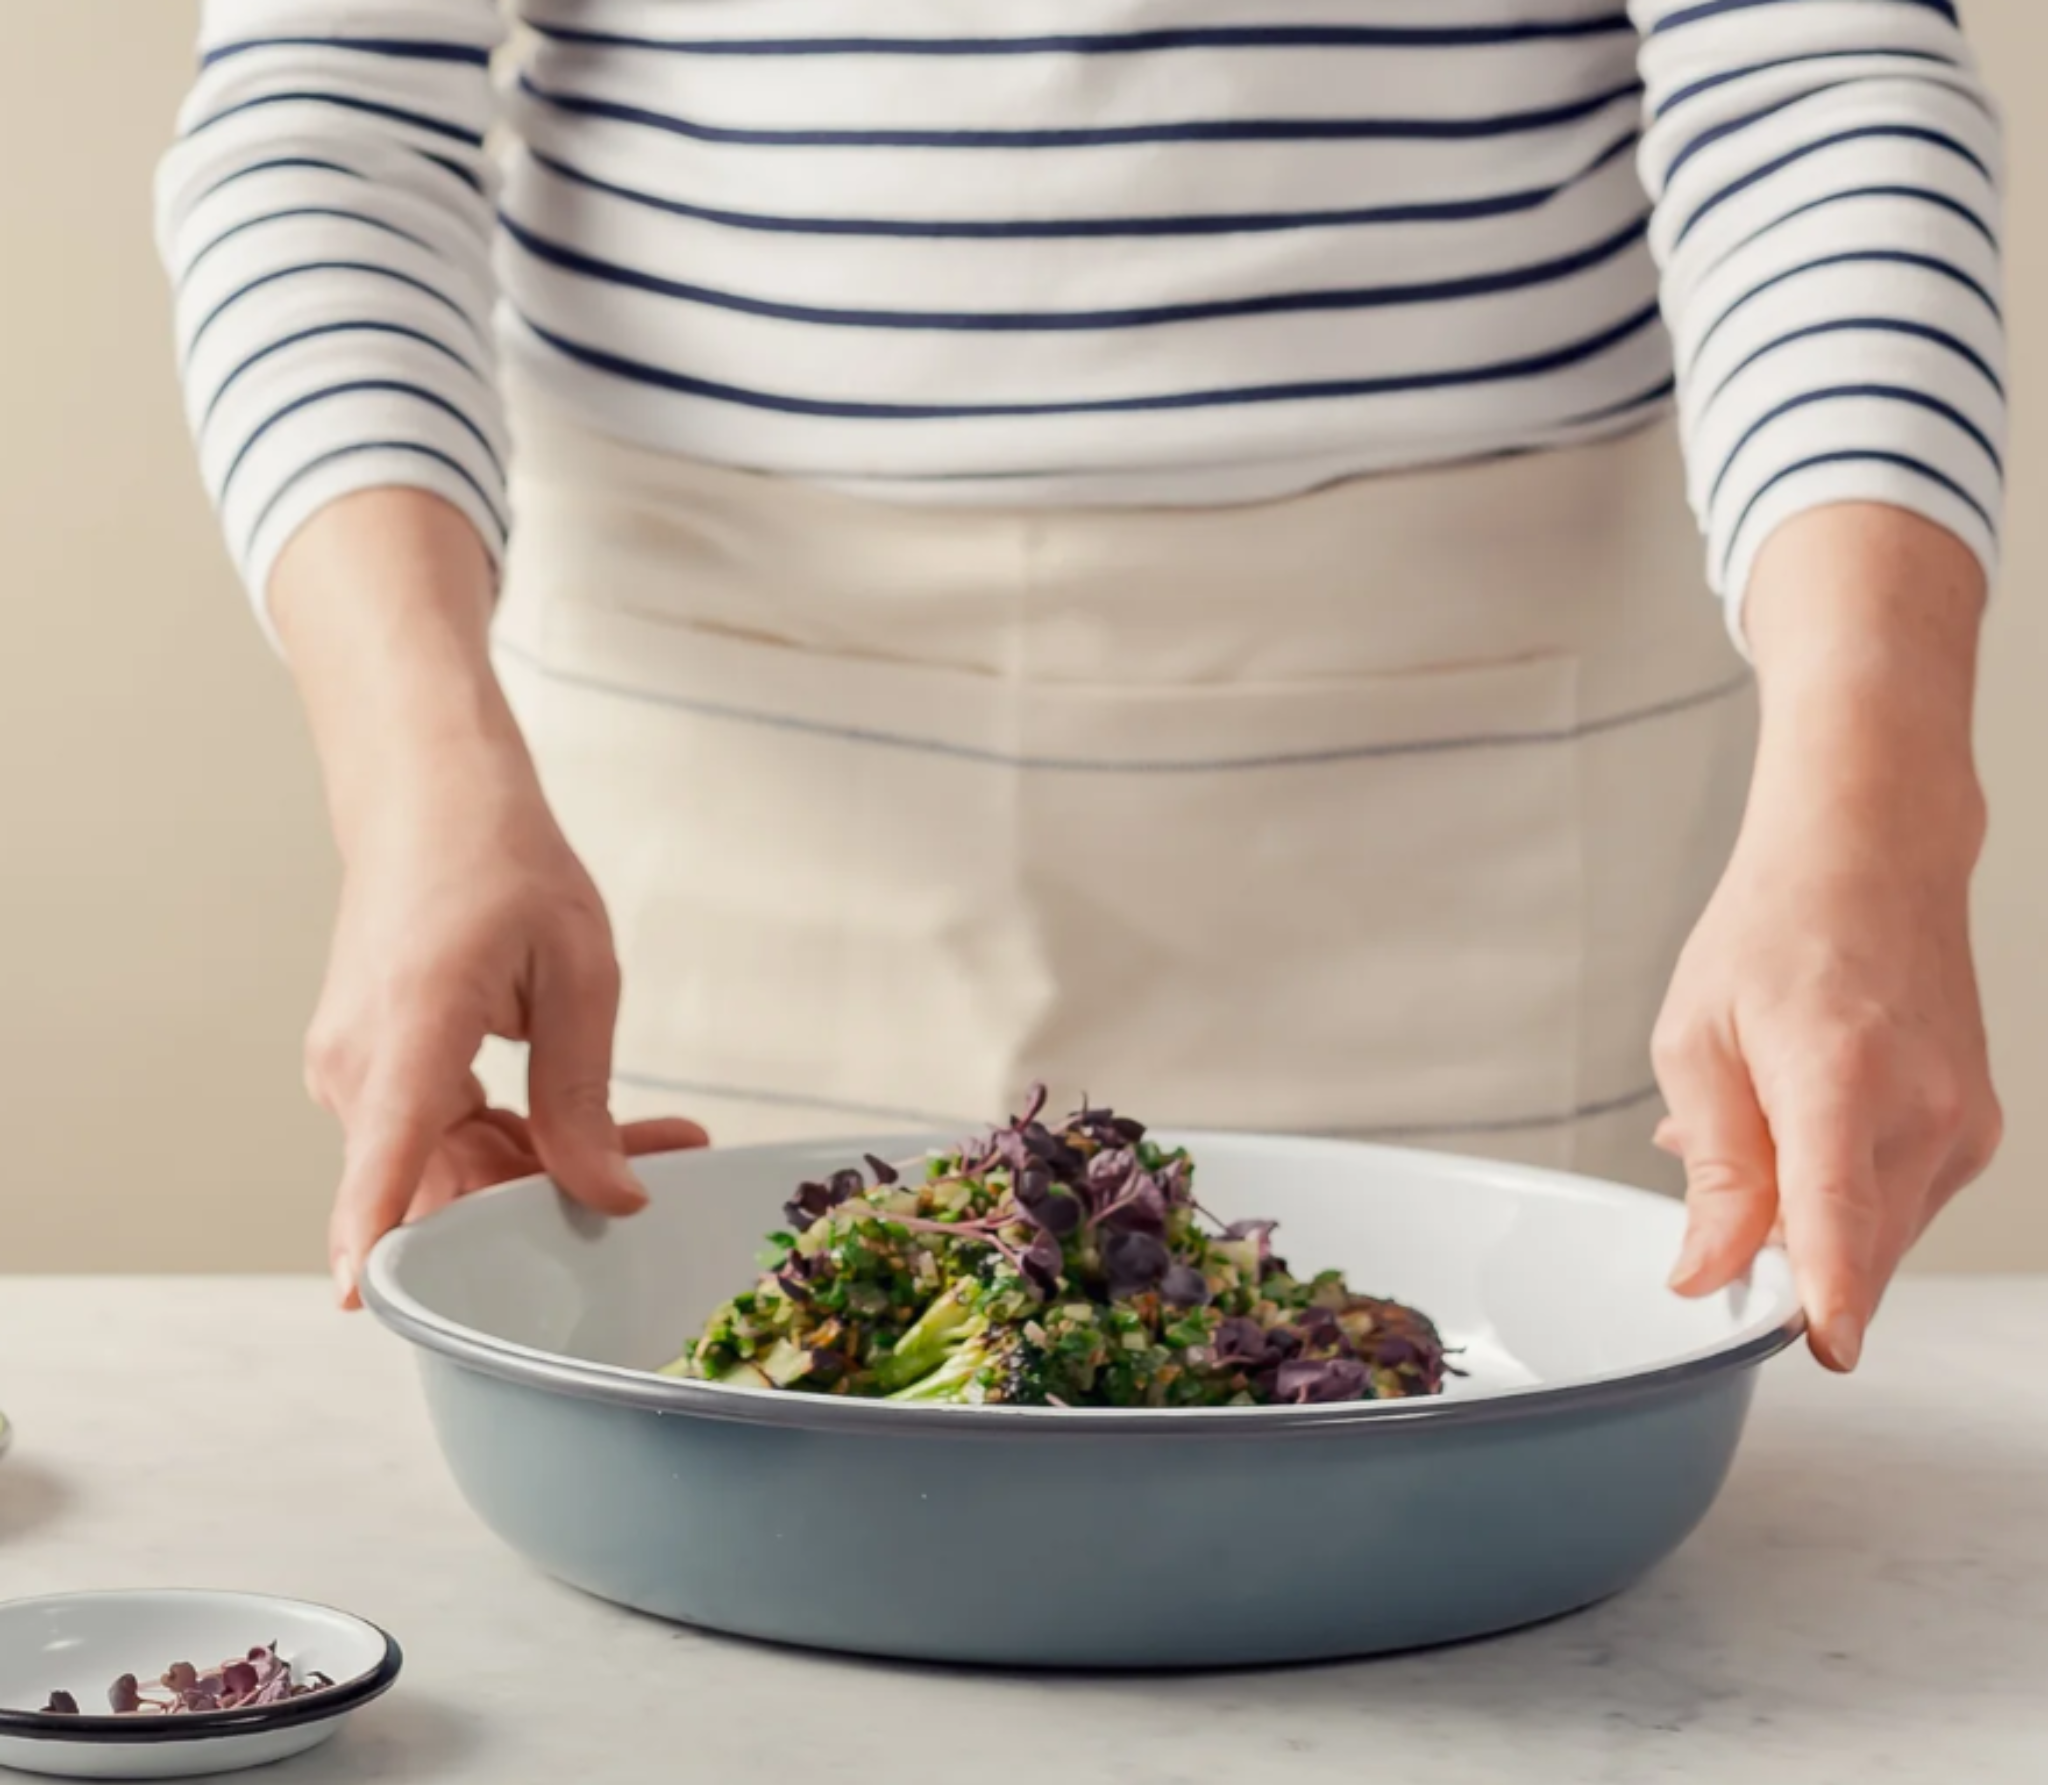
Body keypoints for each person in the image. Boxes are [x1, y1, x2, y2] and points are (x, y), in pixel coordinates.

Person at [157, 2, 2005, 1373]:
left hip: (1467, 743)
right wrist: (414, 781)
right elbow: (322, 123)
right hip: (714, 750)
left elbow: (1807, 87)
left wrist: (1884, 803)